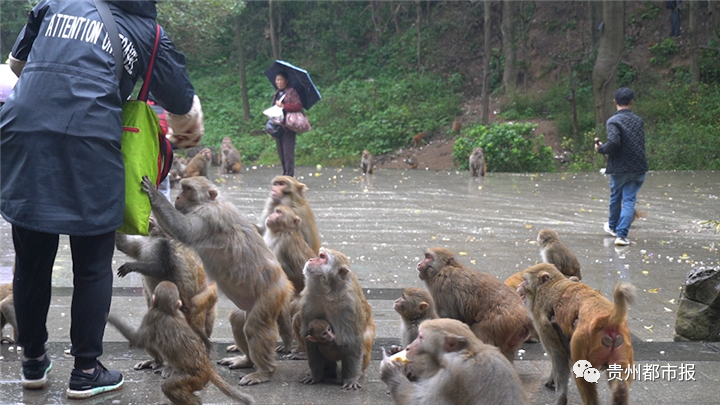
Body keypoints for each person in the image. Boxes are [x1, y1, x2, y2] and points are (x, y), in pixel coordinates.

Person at [0, 0, 203, 399]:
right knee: (92, 265)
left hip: (23, 134)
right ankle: (87, 370)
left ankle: (33, 362)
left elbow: (17, 68)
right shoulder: (148, 32)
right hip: (90, 140)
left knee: (32, 258)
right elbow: (184, 111)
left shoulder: (54, 3)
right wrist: (184, 134)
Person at [595, 88, 647, 246]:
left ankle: (613, 227)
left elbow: (615, 143)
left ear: (615, 102)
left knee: (616, 198)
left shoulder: (613, 121)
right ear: (631, 102)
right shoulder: (638, 120)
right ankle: (622, 235)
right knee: (630, 200)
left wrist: (601, 149)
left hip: (619, 168)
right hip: (638, 166)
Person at [272, 71, 303, 177]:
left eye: (281, 80)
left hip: (289, 126)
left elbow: (298, 106)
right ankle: (284, 172)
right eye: (277, 80)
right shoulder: (277, 93)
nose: (279, 82)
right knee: (281, 152)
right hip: (279, 126)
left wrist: (284, 106)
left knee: (288, 152)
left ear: (286, 81)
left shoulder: (291, 92)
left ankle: (289, 175)